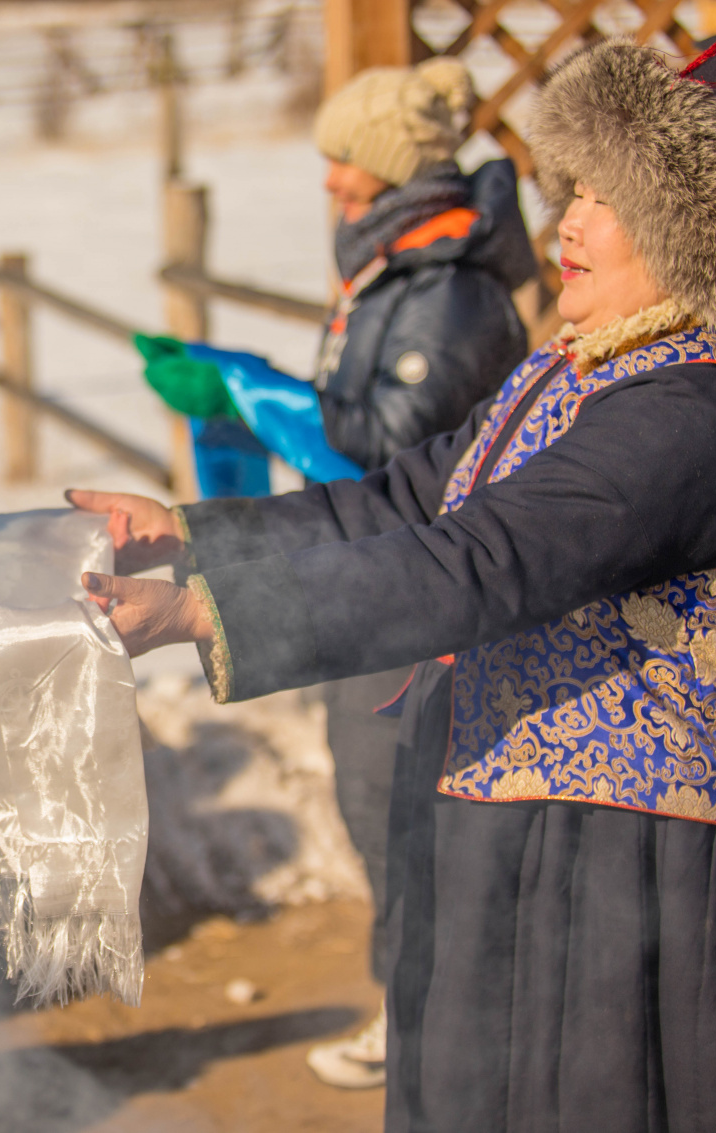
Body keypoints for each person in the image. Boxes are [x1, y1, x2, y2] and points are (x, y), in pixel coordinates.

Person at [75, 32, 716, 1129]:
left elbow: (482, 559)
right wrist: (186, 536)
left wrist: (207, 615)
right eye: (575, 189)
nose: (566, 223)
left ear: (687, 232)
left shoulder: (697, 411)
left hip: (638, 873)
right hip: (521, 843)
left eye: (605, 199)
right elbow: (410, 500)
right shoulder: (575, 365)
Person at [142, 54, 538, 1088]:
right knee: (378, 805)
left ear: (394, 168)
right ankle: (418, 1010)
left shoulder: (449, 294)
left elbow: (395, 452)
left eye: (344, 161)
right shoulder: (391, 271)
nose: (326, 181)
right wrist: (239, 388)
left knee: (406, 810)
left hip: (420, 596)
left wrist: (250, 388)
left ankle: (442, 1031)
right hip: (373, 575)